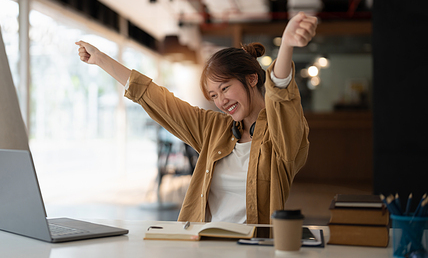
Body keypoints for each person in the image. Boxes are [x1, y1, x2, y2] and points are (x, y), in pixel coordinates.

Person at [76, 12, 318, 224]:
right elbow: (156, 98)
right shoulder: (213, 128)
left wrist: (286, 44)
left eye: (225, 88)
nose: (221, 101)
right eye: (213, 95)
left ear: (252, 79)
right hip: (204, 246)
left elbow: (282, 99)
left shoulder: (281, 136)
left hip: (254, 250)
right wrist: (101, 60)